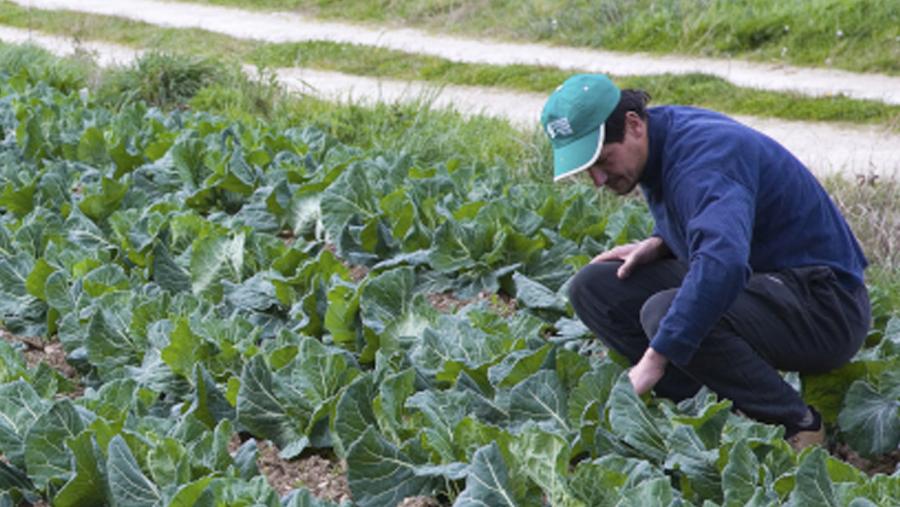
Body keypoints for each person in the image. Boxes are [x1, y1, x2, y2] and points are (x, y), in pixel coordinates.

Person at [541, 74, 871, 449]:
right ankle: (711, 409)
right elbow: (717, 216)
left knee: (666, 315)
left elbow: (724, 265)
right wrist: (660, 241)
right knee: (595, 287)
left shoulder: (705, 156)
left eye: (602, 160)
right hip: (766, 280)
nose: (597, 179)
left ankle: (797, 423)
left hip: (824, 307)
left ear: (633, 124)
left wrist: (656, 357)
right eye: (587, 170)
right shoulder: (660, 135)